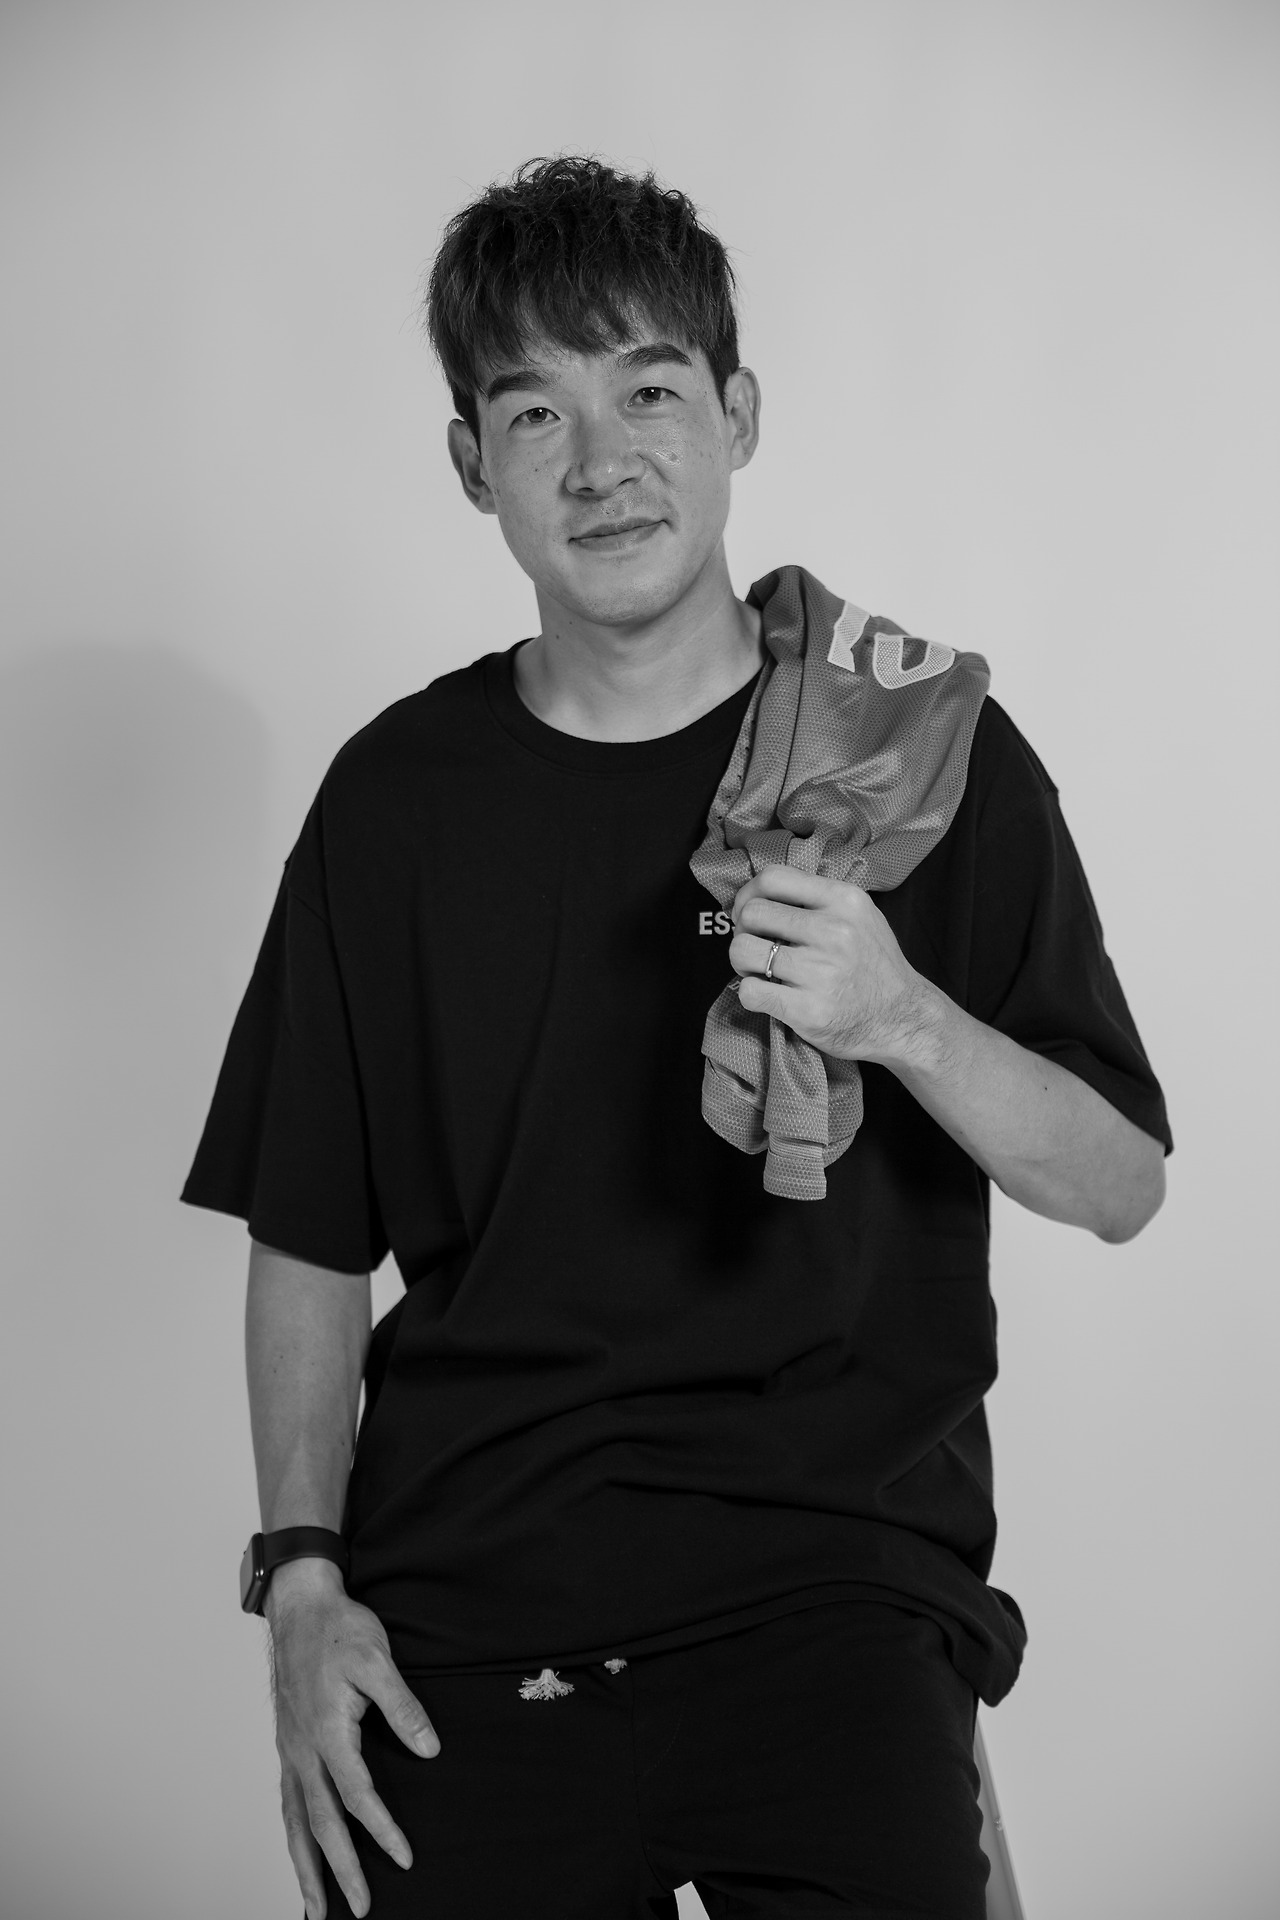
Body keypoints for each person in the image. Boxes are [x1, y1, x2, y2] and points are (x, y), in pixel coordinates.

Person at [182, 155, 1172, 1920]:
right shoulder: (393, 803)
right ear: (471, 464)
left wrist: (902, 1016)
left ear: (738, 414)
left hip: (832, 1592)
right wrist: (304, 1589)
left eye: (647, 391)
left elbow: (1119, 1182)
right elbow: (310, 1240)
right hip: (467, 1610)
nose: (599, 461)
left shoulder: (916, 759)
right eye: (533, 412)